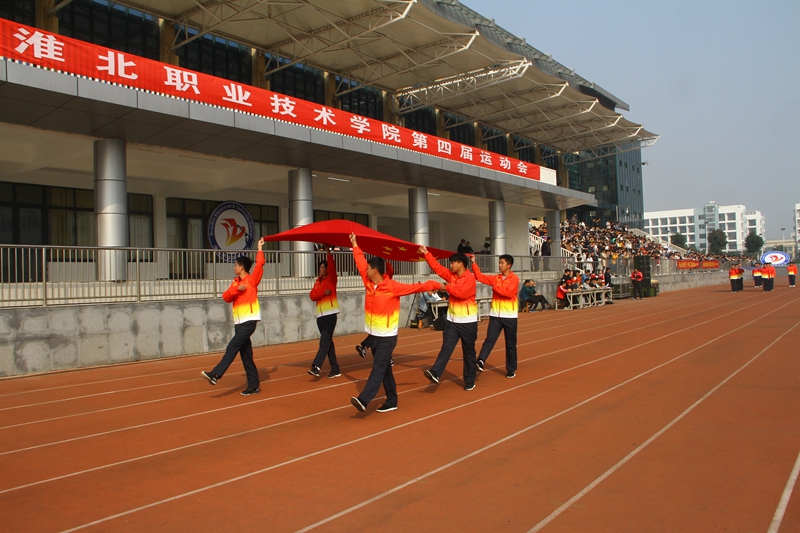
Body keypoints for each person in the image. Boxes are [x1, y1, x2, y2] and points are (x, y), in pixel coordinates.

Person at [349, 233, 440, 413]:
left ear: (375, 270)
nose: (365, 269)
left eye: (369, 268)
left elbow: (416, 287)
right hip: (374, 335)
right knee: (385, 370)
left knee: (378, 368)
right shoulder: (368, 282)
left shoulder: (392, 287)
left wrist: (435, 285)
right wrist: (354, 244)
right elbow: (359, 261)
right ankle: (392, 400)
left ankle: (364, 400)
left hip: (387, 338)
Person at [201, 238, 265, 396]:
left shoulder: (252, 280)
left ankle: (216, 374)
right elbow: (226, 297)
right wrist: (238, 289)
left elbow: (260, 265)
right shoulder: (236, 283)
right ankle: (254, 385)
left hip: (249, 321)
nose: (234, 267)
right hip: (239, 323)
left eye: (236, 265)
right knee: (246, 355)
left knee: (232, 347)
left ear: (242, 267)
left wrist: (259, 249)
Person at [420, 247, 478, 391]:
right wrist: (426, 254)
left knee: (468, 352)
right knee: (446, 347)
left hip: (468, 322)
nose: (450, 265)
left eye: (453, 263)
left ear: (461, 264)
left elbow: (461, 294)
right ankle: (436, 372)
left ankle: (470, 380)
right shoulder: (452, 276)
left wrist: (445, 287)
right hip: (452, 321)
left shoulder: (470, 278)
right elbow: (438, 268)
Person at [472, 254, 519, 378]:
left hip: (509, 316)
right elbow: (480, 277)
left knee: (510, 343)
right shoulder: (496, 278)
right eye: (499, 263)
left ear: (509, 265)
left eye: (502, 263)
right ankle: (481, 360)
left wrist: (495, 288)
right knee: (490, 339)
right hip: (495, 316)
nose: (499, 265)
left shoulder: (514, 279)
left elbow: (508, 293)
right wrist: (473, 263)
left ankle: (511, 368)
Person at [308, 246, 341, 378]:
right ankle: (335, 369)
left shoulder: (332, 279)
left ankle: (316, 366)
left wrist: (328, 252)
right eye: (320, 268)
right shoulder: (317, 282)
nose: (320, 270)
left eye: (323, 267)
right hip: (320, 316)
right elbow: (312, 296)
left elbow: (332, 267)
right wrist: (322, 293)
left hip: (330, 315)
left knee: (324, 341)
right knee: (328, 343)